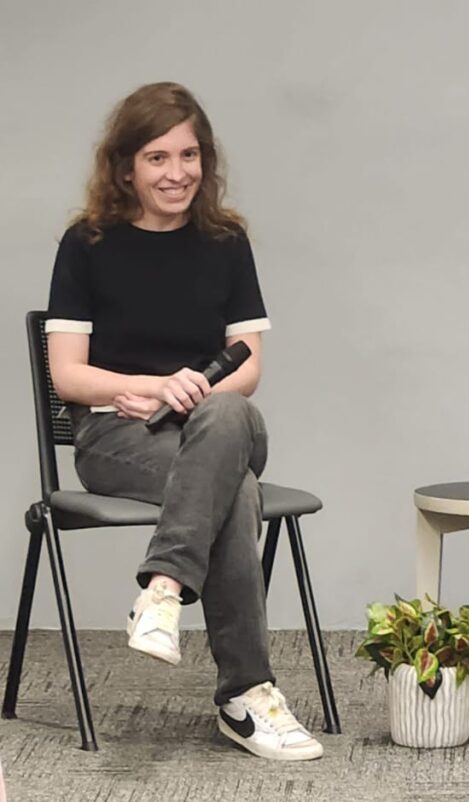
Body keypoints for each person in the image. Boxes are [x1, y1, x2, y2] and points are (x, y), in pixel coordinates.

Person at [45, 82, 324, 761]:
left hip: (216, 421)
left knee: (230, 411)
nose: (177, 173)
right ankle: (246, 696)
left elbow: (248, 366)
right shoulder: (87, 245)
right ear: (125, 169)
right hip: (117, 435)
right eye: (158, 158)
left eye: (189, 155)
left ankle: (164, 587)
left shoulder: (225, 243)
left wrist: (194, 395)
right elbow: (67, 375)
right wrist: (146, 387)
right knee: (237, 491)